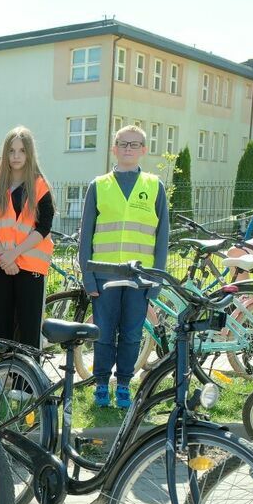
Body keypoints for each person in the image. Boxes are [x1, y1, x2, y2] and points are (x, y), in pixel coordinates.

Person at [78, 124, 169, 409]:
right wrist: (89, 279)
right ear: (113, 148)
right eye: (123, 144)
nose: (128, 149)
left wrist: (156, 283)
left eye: (134, 144)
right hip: (104, 276)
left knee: (131, 334)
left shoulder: (154, 186)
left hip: (140, 278)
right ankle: (102, 384)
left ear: (144, 150)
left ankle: (125, 384)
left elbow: (162, 237)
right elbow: (86, 235)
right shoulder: (99, 185)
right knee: (103, 333)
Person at [0, 126, 55, 354]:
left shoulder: (40, 186)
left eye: (21, 151)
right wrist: (5, 256)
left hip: (29, 265)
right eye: (11, 151)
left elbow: (44, 226)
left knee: (28, 325)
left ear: (29, 153)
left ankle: (25, 386)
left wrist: (14, 253)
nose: (16, 156)